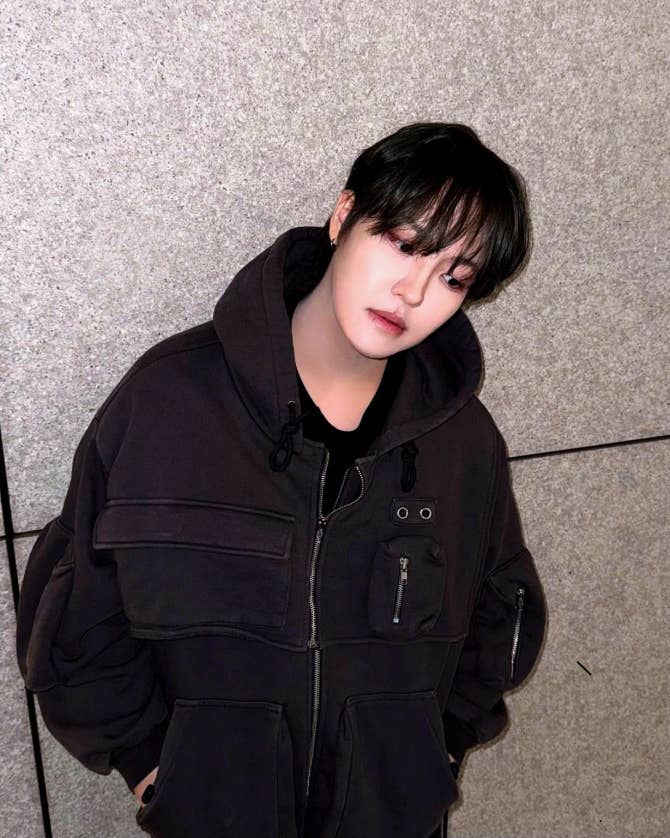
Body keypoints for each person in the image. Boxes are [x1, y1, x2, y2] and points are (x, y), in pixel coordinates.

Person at [16, 122, 547, 838]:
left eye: (455, 277)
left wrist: (434, 755)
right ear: (344, 215)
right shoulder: (170, 401)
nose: (414, 290)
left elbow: (500, 612)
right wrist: (150, 765)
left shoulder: (463, 444)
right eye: (403, 243)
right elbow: (76, 604)